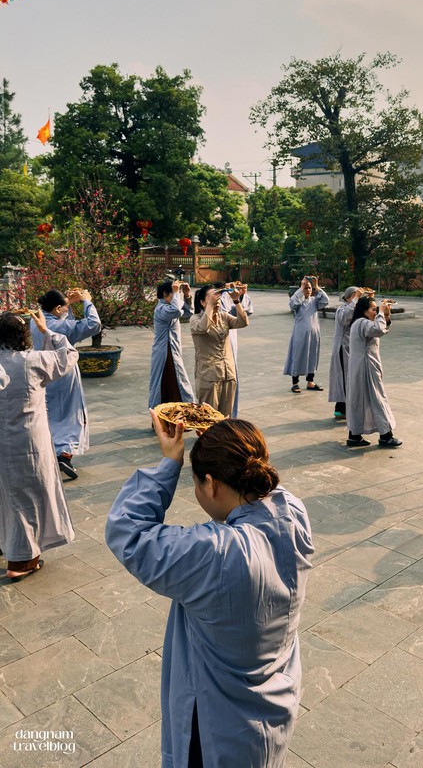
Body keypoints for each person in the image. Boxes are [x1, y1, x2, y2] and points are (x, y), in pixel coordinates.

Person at [106, 415, 314, 768]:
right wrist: (226, 440)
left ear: (211, 484)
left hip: (217, 728)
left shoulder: (216, 553)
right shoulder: (293, 513)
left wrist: (170, 462)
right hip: (274, 704)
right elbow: (262, 483)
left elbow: (128, 532)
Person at [0, 310, 78, 579]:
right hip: (28, 442)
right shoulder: (32, 361)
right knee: (27, 498)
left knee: (5, 495)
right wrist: (47, 331)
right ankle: (21, 561)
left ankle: (6, 544)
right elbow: (68, 356)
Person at [31, 288, 102, 480]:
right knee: (69, 415)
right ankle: (63, 455)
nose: (65, 310)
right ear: (56, 308)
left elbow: (63, 321)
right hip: (62, 374)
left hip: (40, 373)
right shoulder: (58, 327)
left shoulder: (35, 320)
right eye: (63, 308)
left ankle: (48, 454)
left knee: (48, 414)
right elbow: (94, 324)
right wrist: (87, 301)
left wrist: (67, 305)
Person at [346, 296, 401, 448]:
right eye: (373, 309)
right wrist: (382, 313)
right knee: (377, 398)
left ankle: (354, 435)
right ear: (364, 310)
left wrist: (386, 314)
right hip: (366, 367)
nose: (376, 312)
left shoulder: (360, 322)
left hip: (361, 366)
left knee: (359, 400)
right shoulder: (363, 323)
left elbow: (380, 327)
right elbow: (378, 329)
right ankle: (386, 436)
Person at [189, 284, 249, 416]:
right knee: (208, 416)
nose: (217, 301)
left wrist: (236, 300)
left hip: (228, 373)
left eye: (218, 298)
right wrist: (210, 306)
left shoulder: (223, 316)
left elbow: (243, 322)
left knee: (225, 416)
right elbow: (204, 327)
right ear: (202, 302)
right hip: (209, 376)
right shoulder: (195, 319)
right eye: (211, 298)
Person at [148, 279, 195, 410]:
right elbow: (176, 310)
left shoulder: (170, 306)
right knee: (163, 384)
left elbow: (187, 313)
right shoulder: (161, 309)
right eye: (173, 294)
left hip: (172, 350)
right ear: (165, 294)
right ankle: (160, 416)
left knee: (177, 382)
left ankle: (180, 415)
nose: (176, 296)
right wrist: (177, 292)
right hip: (164, 352)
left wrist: (186, 296)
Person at [283, 276, 328, 393]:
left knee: (312, 356)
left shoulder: (314, 301)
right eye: (306, 288)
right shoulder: (298, 302)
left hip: (313, 334)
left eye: (310, 288)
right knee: (298, 356)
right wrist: (301, 289)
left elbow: (325, 300)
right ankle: (295, 383)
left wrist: (317, 286)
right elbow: (292, 304)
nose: (308, 290)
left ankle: (310, 381)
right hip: (300, 334)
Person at [219, 281, 254, 417]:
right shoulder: (218, 302)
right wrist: (226, 293)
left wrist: (240, 297)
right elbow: (223, 314)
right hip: (217, 349)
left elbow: (245, 314)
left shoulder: (231, 301)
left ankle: (231, 416)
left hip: (231, 345)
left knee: (232, 380)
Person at [328, 286, 363, 419]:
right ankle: (341, 408)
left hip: (354, 349)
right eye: (354, 296)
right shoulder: (342, 309)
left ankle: (348, 408)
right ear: (348, 298)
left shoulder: (355, 310)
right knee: (344, 378)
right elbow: (345, 318)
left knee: (352, 378)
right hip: (343, 348)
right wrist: (356, 299)